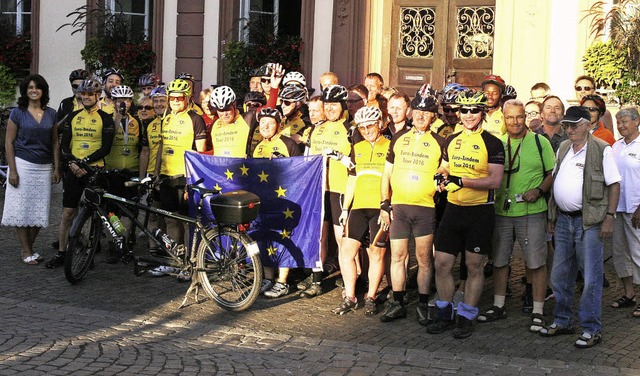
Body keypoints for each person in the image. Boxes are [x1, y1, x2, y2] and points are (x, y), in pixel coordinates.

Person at [427, 90, 505, 339]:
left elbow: (494, 181)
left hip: (479, 212)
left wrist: (461, 180)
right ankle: (444, 312)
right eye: (464, 110)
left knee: (473, 266)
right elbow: (445, 166)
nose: (468, 115)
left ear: (482, 113)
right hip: (452, 209)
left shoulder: (493, 143)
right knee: (442, 263)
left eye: (474, 110)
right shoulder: (452, 140)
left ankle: (466, 315)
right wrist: (440, 175)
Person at [540, 106, 620, 349]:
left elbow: (614, 184)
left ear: (587, 124)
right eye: (566, 125)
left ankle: (591, 328)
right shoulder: (564, 147)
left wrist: (609, 216)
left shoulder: (601, 149)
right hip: (564, 219)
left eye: (574, 125)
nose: (569, 129)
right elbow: (556, 180)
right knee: (559, 274)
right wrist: (553, 216)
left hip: (590, 221)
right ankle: (563, 320)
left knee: (591, 277)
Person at [476, 99, 555, 333]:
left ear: (526, 117)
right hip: (502, 211)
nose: (515, 122)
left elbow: (552, 174)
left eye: (519, 117)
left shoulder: (541, 143)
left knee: (536, 262)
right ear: (504, 118)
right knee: (500, 260)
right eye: (509, 117)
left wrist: (539, 190)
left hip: (532, 211)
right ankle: (498, 306)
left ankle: (538, 310)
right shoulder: (497, 144)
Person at [379, 88, 444, 323]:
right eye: (418, 111)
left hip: (425, 207)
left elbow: (445, 169)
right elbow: (386, 174)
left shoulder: (439, 141)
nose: (421, 116)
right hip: (400, 207)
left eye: (426, 112)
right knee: (398, 255)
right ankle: (398, 302)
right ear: (411, 112)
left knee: (425, 258)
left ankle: (424, 303)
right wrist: (384, 203)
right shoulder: (398, 138)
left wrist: (442, 177)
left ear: (433, 117)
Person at [47, 78, 115, 268]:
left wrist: (84, 163)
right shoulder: (73, 116)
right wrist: (72, 164)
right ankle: (62, 253)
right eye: (83, 94)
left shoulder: (106, 118)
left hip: (94, 171)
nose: (86, 97)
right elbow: (64, 145)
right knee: (68, 213)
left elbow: (106, 148)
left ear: (97, 96)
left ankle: (88, 252)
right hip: (73, 170)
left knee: (92, 214)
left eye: (90, 94)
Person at [333, 106, 390, 315]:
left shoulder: (391, 146)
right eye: (363, 128)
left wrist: (388, 206)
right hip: (358, 206)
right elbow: (352, 180)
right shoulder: (357, 148)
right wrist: (345, 209)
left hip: (379, 208)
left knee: (376, 253)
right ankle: (350, 296)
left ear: (380, 124)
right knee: (346, 252)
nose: (367, 131)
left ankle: (372, 296)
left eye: (370, 126)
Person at [147, 79, 207, 277]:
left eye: (179, 98)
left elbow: (201, 154)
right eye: (171, 98)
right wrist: (156, 174)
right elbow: (162, 147)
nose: (174, 101)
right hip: (166, 175)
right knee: (170, 220)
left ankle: (191, 264)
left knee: (187, 221)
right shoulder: (166, 117)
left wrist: (192, 182)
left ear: (187, 98)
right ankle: (176, 261)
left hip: (185, 177)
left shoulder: (195, 118)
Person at [2, 74, 61, 265]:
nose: (33, 90)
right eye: (30, 87)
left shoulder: (51, 113)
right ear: (25, 91)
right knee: (22, 210)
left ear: (43, 91)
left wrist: (56, 168)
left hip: (44, 167)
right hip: (22, 165)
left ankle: (28, 247)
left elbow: (55, 142)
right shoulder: (17, 113)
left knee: (39, 211)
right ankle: (27, 251)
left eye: (37, 87)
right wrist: (12, 170)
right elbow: (9, 142)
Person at [303, 84, 352, 298]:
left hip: (340, 189)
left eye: (335, 105)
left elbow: (355, 164)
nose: (330, 109)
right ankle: (316, 280)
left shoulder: (351, 128)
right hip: (320, 188)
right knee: (319, 237)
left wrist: (340, 157)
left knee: (342, 238)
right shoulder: (318, 128)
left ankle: (353, 278)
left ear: (343, 105)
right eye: (328, 104)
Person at [252, 107, 303, 298]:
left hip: (284, 200)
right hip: (263, 199)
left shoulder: (288, 144)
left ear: (279, 125)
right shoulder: (258, 146)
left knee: (283, 238)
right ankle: (267, 277)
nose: (265, 126)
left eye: (270, 123)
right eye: (262, 122)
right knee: (263, 237)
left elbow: (300, 171)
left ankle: (282, 281)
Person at [103, 85, 142, 263]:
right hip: (112, 171)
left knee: (129, 212)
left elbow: (144, 149)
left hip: (131, 171)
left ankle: (123, 243)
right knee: (112, 212)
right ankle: (113, 243)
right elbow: (107, 140)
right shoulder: (108, 120)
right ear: (113, 102)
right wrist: (117, 117)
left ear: (131, 102)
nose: (123, 104)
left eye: (126, 100)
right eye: (119, 101)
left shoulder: (137, 122)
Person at [611, 107, 640, 316]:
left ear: (637, 121)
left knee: (638, 254)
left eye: (625, 122)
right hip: (618, 208)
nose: (621, 126)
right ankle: (629, 294)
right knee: (620, 254)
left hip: (636, 209)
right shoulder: (616, 146)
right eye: (618, 122)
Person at [209, 85, 255, 157]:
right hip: (220, 167)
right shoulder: (215, 124)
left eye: (227, 109)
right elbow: (214, 152)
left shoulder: (247, 118)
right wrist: (197, 154)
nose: (225, 114)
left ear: (234, 104)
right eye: (221, 110)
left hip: (241, 167)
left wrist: (274, 88)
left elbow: (268, 116)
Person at [278, 85, 312, 149]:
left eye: (287, 102)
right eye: (281, 101)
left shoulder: (305, 122)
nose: (282, 106)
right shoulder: (281, 119)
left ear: (298, 104)